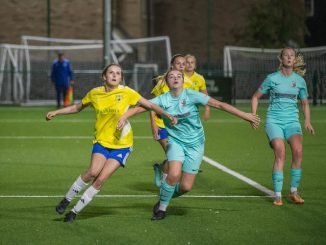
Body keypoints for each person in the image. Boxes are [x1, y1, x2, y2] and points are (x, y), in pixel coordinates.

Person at [118, 69, 260, 220]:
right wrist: (123, 117)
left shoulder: (192, 95)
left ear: (183, 80)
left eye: (179, 76)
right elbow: (139, 108)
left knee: (186, 187)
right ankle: (162, 209)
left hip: (195, 144)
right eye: (171, 76)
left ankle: (163, 199)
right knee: (173, 174)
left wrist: (245, 115)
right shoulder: (162, 99)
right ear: (167, 82)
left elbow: (219, 105)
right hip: (175, 142)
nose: (175, 78)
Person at [46, 64, 176, 223]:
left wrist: (167, 114)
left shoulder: (127, 92)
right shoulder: (95, 93)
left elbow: (149, 104)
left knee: (101, 179)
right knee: (93, 172)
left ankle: (74, 212)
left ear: (121, 77)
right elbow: (78, 107)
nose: (115, 76)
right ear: (104, 76)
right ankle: (66, 199)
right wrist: (57, 112)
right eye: (111, 73)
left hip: (122, 145)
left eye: (118, 73)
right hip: (102, 141)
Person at [251, 47, 315, 206]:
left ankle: (294, 191)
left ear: (294, 60)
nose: (289, 58)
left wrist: (307, 121)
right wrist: (253, 115)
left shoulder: (300, 81)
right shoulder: (272, 78)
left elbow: (305, 103)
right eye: (286, 55)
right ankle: (278, 195)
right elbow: (255, 97)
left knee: (298, 151)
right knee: (280, 152)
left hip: (292, 122)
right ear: (281, 58)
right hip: (274, 121)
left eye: (291, 55)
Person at [150, 54, 193, 187]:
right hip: (162, 125)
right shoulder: (162, 82)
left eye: (183, 63)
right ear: (172, 66)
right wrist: (153, 125)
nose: (181, 66)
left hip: (179, 127)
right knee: (172, 156)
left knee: (178, 157)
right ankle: (164, 182)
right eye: (178, 63)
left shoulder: (189, 84)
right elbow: (152, 106)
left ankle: (161, 168)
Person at [184, 54, 210, 121]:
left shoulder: (200, 78)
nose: (190, 64)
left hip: (193, 113)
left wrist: (207, 108)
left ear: (195, 65)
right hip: (177, 111)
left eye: (192, 62)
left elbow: (205, 96)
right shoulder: (177, 76)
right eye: (187, 62)